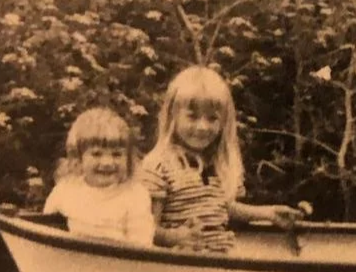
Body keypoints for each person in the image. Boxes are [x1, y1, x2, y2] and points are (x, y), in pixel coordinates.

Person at [140, 66, 304, 251]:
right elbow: (144, 227)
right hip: (179, 267)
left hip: (218, 263)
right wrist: (175, 237)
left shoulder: (215, 163)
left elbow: (220, 208)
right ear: (172, 117)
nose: (203, 127)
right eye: (192, 117)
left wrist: (268, 213)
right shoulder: (159, 165)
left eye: (212, 119)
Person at [43, 107, 155, 245]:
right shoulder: (66, 190)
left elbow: (141, 245)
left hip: (120, 262)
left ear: (128, 159)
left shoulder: (135, 195)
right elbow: (45, 231)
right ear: (78, 158)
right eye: (96, 154)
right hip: (72, 261)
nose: (107, 162)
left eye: (117, 154)